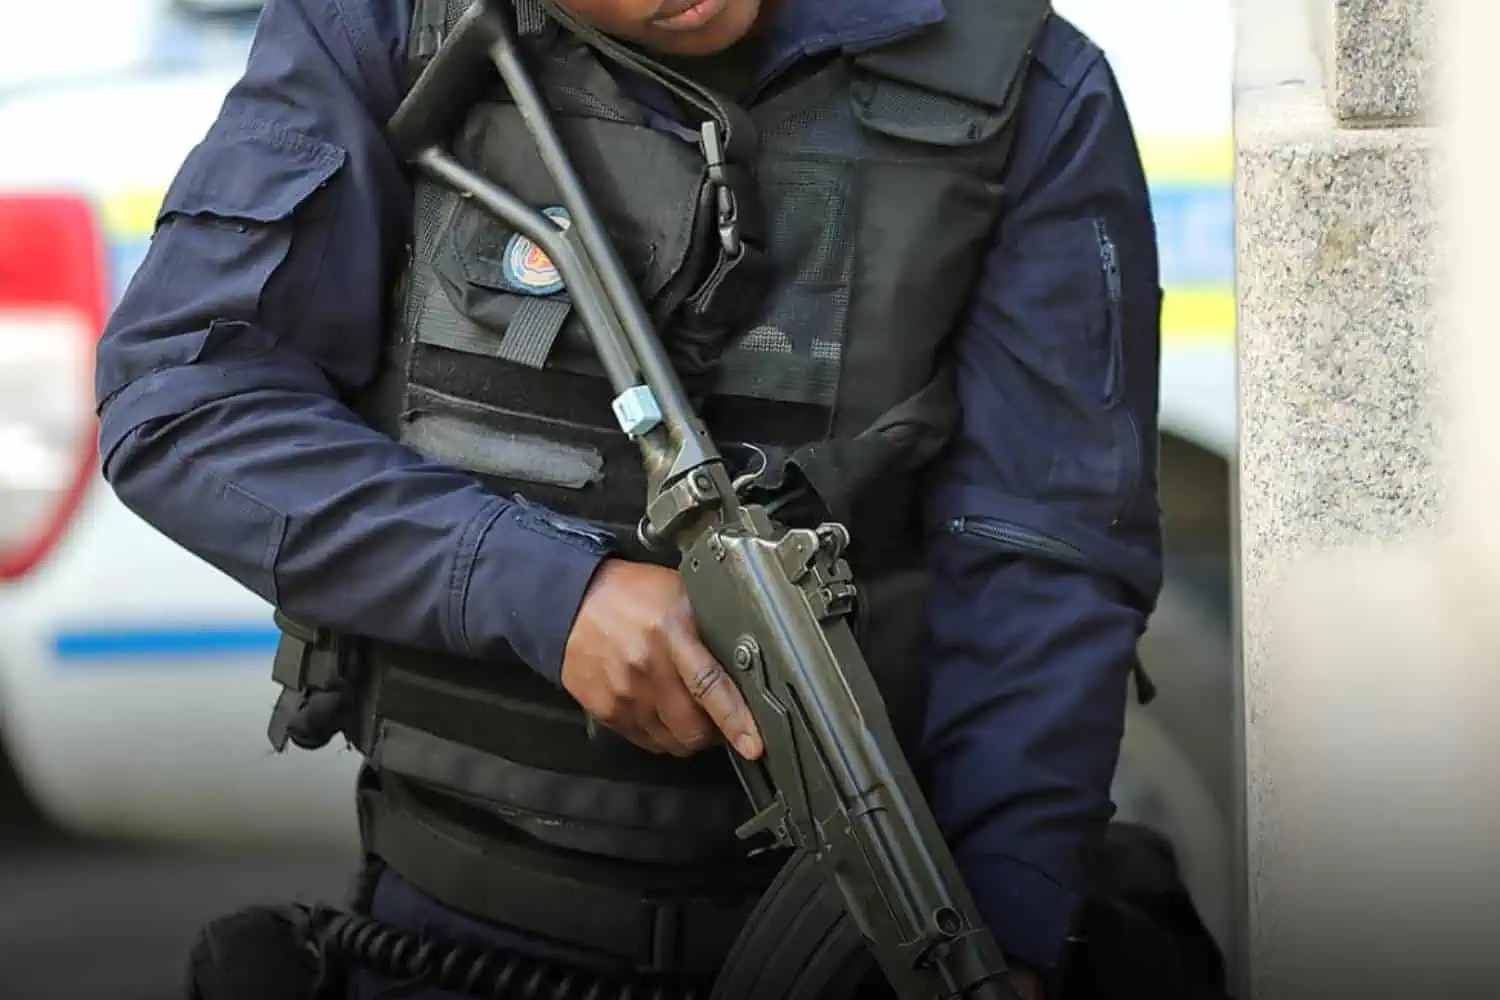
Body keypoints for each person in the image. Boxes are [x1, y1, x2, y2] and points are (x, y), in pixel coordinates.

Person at [95, 0, 1170, 997]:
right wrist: (546, 592)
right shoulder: (390, 26)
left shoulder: (1019, 80)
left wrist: (1006, 931)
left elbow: (1045, 549)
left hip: (873, 941)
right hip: (457, 925)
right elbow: (184, 399)